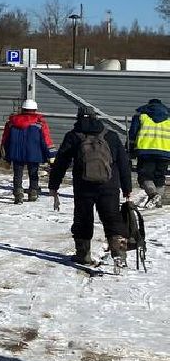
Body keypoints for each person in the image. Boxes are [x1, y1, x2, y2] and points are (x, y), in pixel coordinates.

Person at [49, 106, 134, 269]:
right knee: (112, 218)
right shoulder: (111, 136)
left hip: (83, 186)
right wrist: (127, 188)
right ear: (96, 118)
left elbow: (60, 163)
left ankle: (83, 255)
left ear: (78, 118)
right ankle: (119, 254)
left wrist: (54, 186)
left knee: (83, 219)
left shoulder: (73, 136)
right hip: (109, 185)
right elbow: (123, 164)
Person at [0, 98, 52, 203]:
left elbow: (5, 139)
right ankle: (33, 193)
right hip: (34, 153)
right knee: (33, 174)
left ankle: (18, 194)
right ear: (35, 109)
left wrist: (4, 155)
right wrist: (51, 154)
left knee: (17, 175)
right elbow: (46, 140)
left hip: (16, 153)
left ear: (23, 109)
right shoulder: (40, 123)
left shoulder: (11, 122)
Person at [128, 97, 170, 207]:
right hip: (165, 151)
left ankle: (153, 195)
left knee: (145, 176)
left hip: (146, 151)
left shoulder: (141, 116)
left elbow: (132, 134)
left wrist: (130, 149)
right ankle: (158, 202)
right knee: (160, 177)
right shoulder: (168, 117)